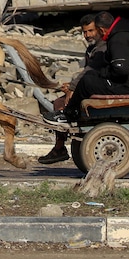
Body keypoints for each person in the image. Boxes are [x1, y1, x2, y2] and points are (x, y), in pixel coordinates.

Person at [43, 11, 129, 126]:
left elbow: (120, 69)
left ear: (101, 30)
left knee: (87, 82)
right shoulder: (121, 36)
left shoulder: (119, 39)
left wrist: (103, 74)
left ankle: (69, 114)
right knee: (89, 78)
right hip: (128, 84)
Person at [36, 15, 106, 164]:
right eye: (85, 32)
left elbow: (90, 71)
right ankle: (60, 147)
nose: (88, 35)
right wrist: (70, 86)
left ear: (99, 30)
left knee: (61, 105)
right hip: (89, 85)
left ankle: (60, 147)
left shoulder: (103, 48)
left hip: (99, 88)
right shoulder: (92, 48)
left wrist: (73, 88)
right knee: (58, 103)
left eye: (91, 31)